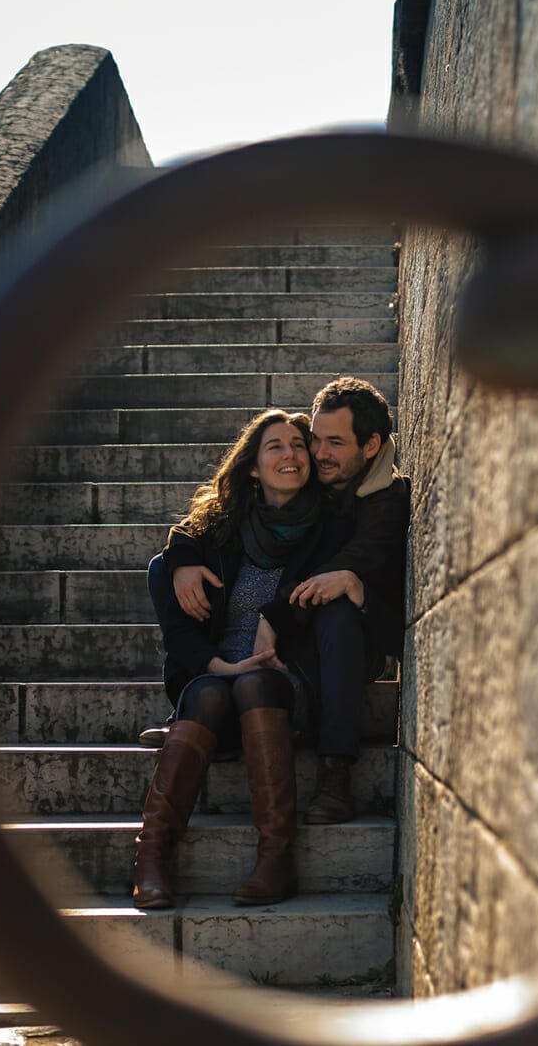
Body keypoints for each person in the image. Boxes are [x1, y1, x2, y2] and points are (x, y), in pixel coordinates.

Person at [165, 377, 410, 826]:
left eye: (334, 443)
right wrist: (180, 557)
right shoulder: (312, 480)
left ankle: (335, 773)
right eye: (315, 439)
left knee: (337, 604)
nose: (316, 454)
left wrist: (274, 616)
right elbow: (213, 513)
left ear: (371, 445)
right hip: (296, 630)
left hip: (355, 634)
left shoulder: (385, 500)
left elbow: (339, 566)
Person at [136, 409, 351, 909]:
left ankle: (277, 858)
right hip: (216, 682)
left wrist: (258, 657)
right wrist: (220, 665)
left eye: (299, 444)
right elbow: (180, 633)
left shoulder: (332, 529)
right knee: (211, 692)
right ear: (252, 466)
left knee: (254, 684)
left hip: (284, 684)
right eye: (275, 446)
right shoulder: (216, 534)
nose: (291, 454)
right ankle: (152, 857)